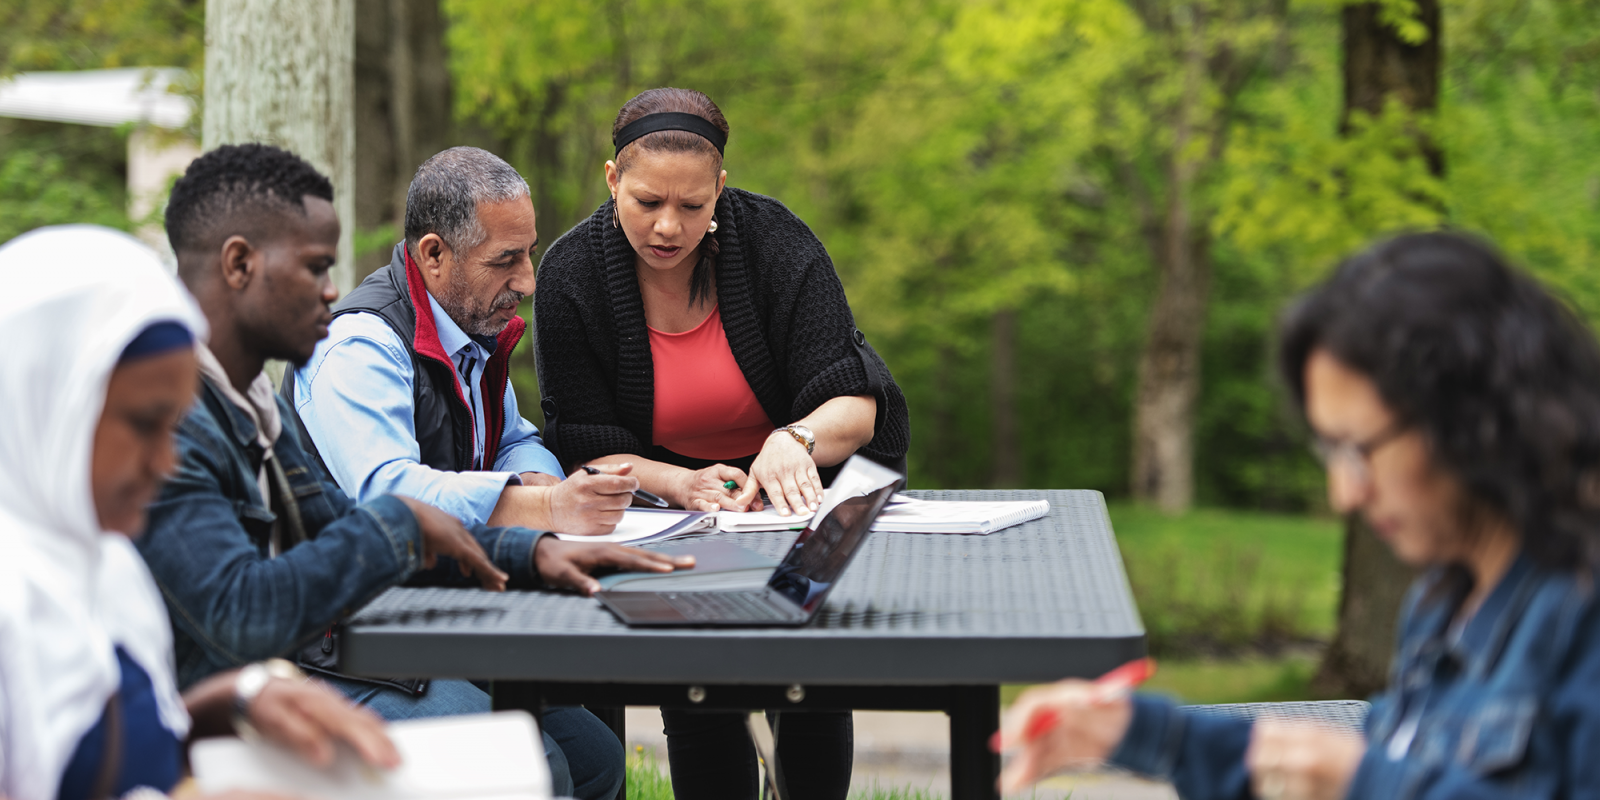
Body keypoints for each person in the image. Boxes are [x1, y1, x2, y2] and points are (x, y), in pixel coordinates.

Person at [136, 144, 690, 800]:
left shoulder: (248, 401)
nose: (331, 290)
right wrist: (402, 523)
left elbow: (338, 520)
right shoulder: (177, 422)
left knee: (594, 757)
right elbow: (247, 608)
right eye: (315, 267)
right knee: (536, 768)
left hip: (336, 645)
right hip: (274, 686)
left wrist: (529, 550)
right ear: (239, 265)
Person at [996, 232, 1600, 799]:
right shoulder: (1444, 603)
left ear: (1469, 419)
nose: (1345, 494)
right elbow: (1385, 765)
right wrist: (1144, 734)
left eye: (1359, 451)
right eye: (1329, 452)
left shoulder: (1580, 618)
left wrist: (1360, 783)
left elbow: (1373, 778)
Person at [534, 87, 909, 799]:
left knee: (809, 680)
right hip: (671, 511)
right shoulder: (570, 275)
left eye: (692, 206)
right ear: (612, 179)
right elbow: (582, 443)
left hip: (801, 498)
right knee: (699, 680)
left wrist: (793, 439)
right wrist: (678, 481)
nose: (668, 226)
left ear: (721, 192)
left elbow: (858, 404)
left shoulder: (776, 242)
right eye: (647, 203)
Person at [0, 224, 398, 800]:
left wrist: (234, 701)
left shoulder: (106, 566)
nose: (166, 461)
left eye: (174, 427)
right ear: (41, 404)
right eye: (144, 424)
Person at [292, 146, 636, 537]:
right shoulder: (358, 347)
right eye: (505, 260)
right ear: (434, 254)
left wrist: (537, 478)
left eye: (529, 255)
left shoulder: (470, 325)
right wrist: (542, 507)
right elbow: (389, 495)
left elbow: (512, 440)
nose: (528, 282)